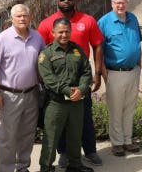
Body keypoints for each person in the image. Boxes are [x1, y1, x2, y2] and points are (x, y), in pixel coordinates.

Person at [37, 0, 104, 167]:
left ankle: (87, 154)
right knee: (54, 132)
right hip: (57, 97)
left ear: (74, 0)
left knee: (82, 125)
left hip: (79, 94)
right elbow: (46, 71)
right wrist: (67, 90)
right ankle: (60, 157)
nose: (65, 1)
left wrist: (85, 86)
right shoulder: (45, 28)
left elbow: (90, 61)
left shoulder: (86, 23)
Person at [0, 4, 45, 172]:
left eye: (25, 16)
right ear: (11, 18)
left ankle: (22, 167)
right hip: (9, 95)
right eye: (18, 16)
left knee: (27, 134)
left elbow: (45, 61)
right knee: (8, 136)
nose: (22, 19)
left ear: (29, 17)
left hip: (32, 92)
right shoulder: (1, 39)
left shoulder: (37, 37)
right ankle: (6, 169)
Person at [38, 18, 94, 172]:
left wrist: (82, 89)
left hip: (76, 102)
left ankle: (74, 165)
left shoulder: (77, 50)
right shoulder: (46, 53)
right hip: (56, 103)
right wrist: (69, 92)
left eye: (67, 31)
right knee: (51, 137)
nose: (64, 35)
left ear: (71, 32)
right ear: (53, 33)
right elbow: (49, 79)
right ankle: (46, 167)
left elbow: (86, 71)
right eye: (60, 32)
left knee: (76, 135)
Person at [97, 0, 142, 157]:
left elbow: (138, 44)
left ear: (127, 3)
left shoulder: (133, 19)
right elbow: (98, 51)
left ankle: (128, 140)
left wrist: (139, 67)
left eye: (123, 2)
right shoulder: (104, 22)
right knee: (115, 110)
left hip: (133, 72)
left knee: (130, 108)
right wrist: (103, 74)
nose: (120, 5)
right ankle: (117, 143)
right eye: (117, 2)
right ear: (111, 4)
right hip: (114, 72)